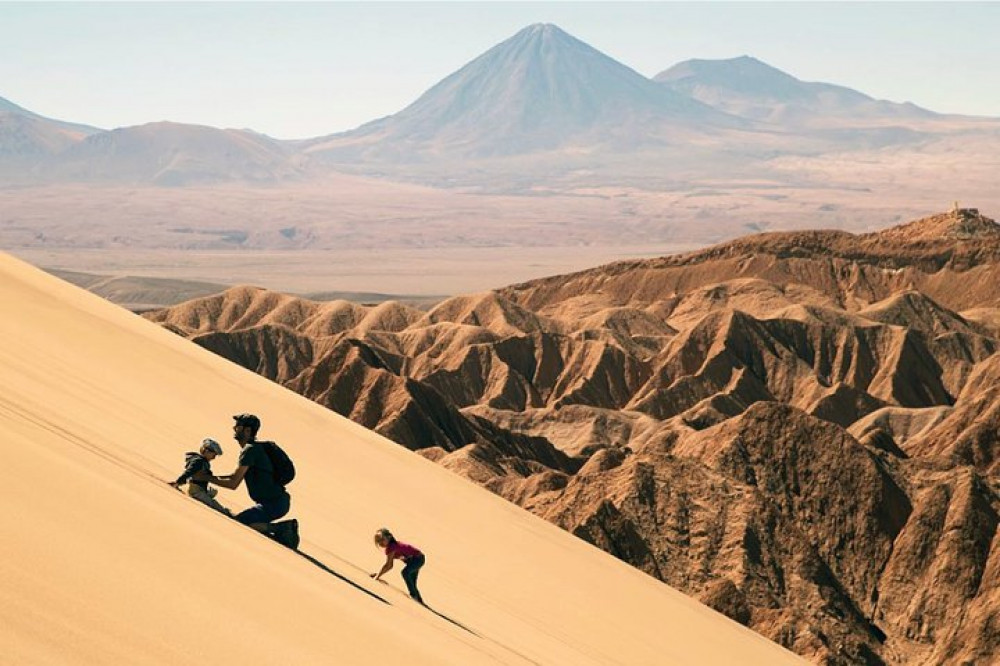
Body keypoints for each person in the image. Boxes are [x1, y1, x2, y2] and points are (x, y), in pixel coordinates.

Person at [208, 413, 299, 548]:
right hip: (276, 503)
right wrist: (210, 477)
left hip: (273, 504)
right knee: (244, 521)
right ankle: (280, 531)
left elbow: (233, 483)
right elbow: (234, 476)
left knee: (241, 522)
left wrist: (205, 478)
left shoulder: (250, 450)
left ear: (247, 430)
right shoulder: (253, 449)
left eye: (238, 426)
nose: (234, 428)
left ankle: (282, 529)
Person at [169, 438, 231, 516]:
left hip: (199, 491)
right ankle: (227, 513)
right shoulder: (198, 461)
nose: (214, 457)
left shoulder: (202, 461)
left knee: (213, 502)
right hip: (196, 492)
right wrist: (177, 483)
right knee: (215, 506)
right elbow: (189, 472)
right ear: (207, 451)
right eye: (214, 454)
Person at [371, 528, 425, 604]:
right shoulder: (392, 546)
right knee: (412, 582)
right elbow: (389, 565)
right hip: (418, 559)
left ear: (389, 537)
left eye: (382, 539)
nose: (380, 543)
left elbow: (389, 565)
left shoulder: (392, 547)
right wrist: (378, 575)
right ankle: (419, 601)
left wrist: (377, 577)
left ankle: (414, 596)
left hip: (417, 559)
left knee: (405, 573)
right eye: (378, 541)